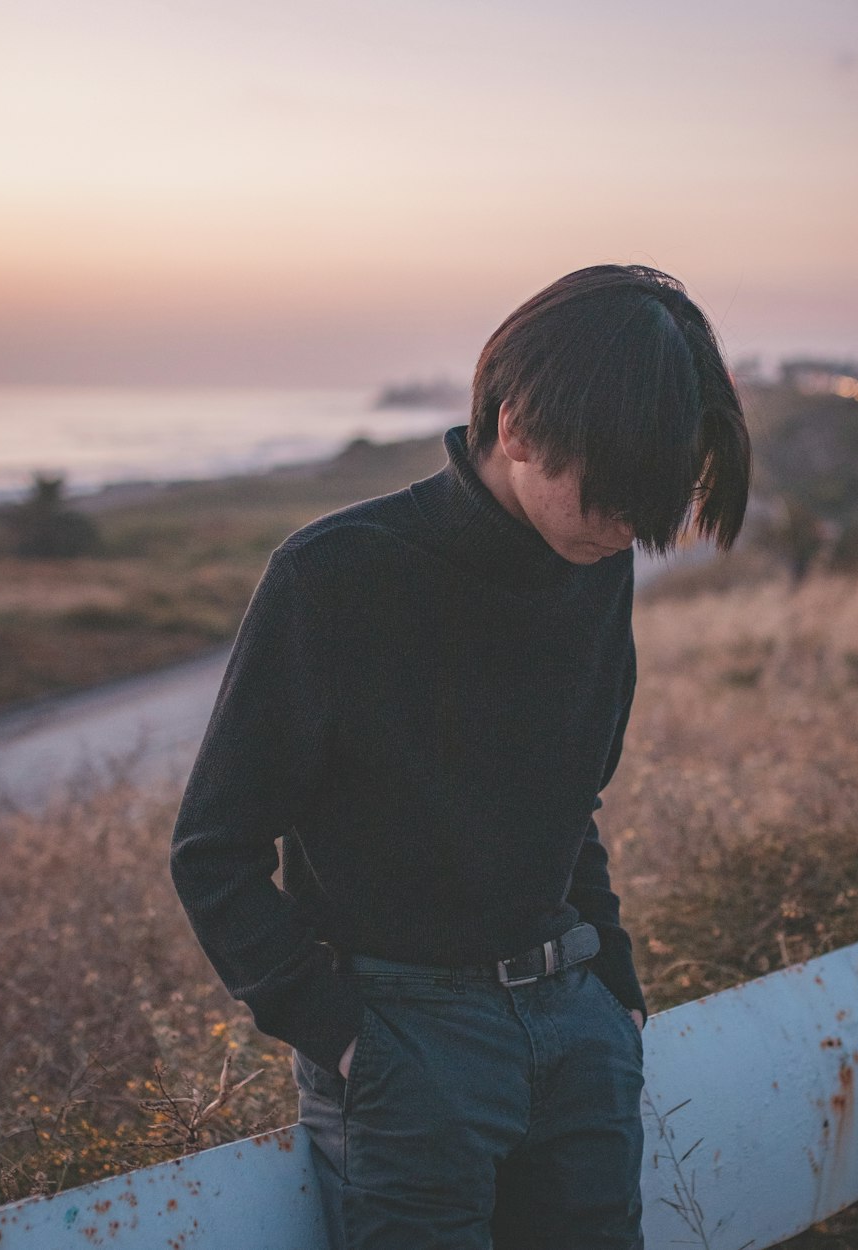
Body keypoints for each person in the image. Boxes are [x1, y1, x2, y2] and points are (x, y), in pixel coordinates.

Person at [170, 263, 751, 1250]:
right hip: (408, 1035)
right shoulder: (333, 577)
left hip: (576, 1023)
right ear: (518, 427)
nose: (625, 536)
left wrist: (614, 990)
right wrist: (348, 1035)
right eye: (613, 499)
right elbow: (211, 849)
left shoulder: (593, 565)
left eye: (646, 514)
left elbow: (571, 800)